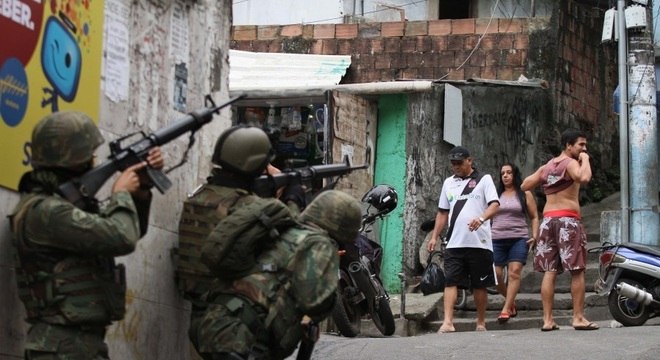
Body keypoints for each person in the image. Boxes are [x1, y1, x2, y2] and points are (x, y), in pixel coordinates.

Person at [9, 111, 164, 359]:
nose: (93, 159)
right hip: (61, 345)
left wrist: (142, 189)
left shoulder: (61, 206)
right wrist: (121, 194)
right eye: (89, 155)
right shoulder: (45, 211)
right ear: (73, 159)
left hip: (78, 344)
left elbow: (130, 230)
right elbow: (121, 237)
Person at [174, 125, 304, 354]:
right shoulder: (248, 206)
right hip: (234, 320)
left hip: (199, 312)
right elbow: (291, 234)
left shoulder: (199, 196)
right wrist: (293, 195)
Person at [194, 189, 362, 360]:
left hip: (215, 322)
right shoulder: (320, 244)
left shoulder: (282, 229)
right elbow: (312, 300)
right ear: (346, 227)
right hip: (243, 337)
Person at [521, 129, 598, 331]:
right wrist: (585, 159)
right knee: (577, 270)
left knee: (550, 270)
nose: (584, 148)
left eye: (585, 146)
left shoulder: (547, 166)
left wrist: (547, 178)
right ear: (568, 145)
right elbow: (584, 178)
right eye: (581, 145)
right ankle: (578, 318)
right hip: (567, 221)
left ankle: (548, 320)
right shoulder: (572, 163)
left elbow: (525, 185)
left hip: (548, 221)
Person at [427, 146, 500, 333]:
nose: (456, 166)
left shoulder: (484, 180)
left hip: (479, 243)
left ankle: (481, 321)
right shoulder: (448, 183)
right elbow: (443, 212)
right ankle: (448, 322)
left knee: (479, 284)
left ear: (470, 160)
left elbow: (494, 204)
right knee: (450, 281)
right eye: (453, 163)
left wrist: (482, 218)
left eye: (459, 162)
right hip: (454, 242)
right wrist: (434, 236)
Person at [491, 162, 539, 323]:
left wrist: (535, 234)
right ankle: (510, 301)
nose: (505, 175)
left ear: (514, 175)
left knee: (514, 272)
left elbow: (534, 216)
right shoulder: (494, 194)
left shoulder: (524, 193)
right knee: (496, 275)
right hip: (496, 239)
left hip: (518, 238)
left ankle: (505, 309)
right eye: (503, 173)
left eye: (509, 172)